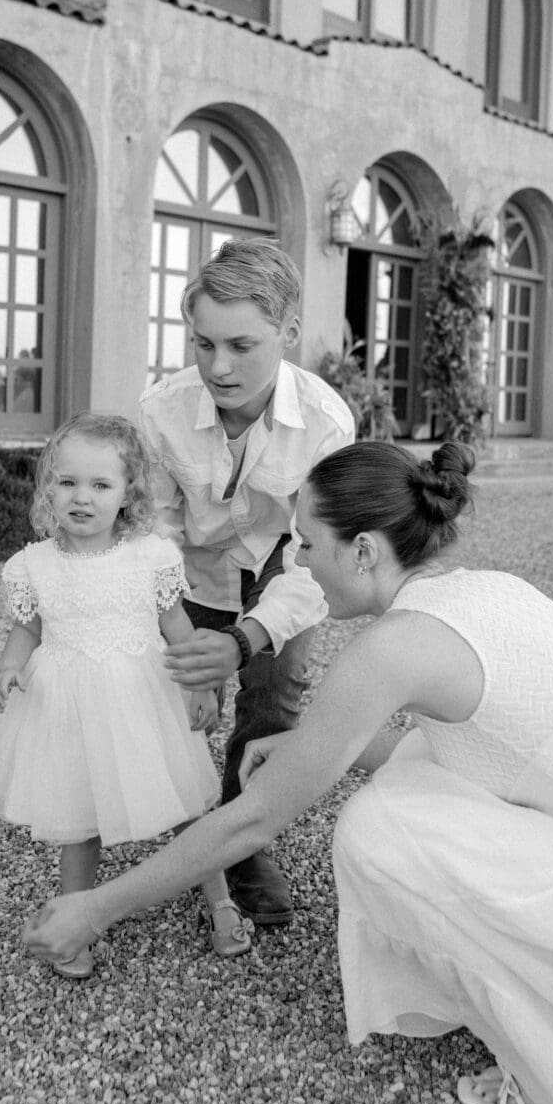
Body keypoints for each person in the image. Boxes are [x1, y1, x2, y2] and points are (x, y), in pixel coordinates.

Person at [24, 439, 553, 1104]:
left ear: (363, 550)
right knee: (407, 790)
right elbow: (485, 752)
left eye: (306, 543)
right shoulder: (488, 590)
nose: (298, 563)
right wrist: (312, 743)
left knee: (381, 830)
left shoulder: (395, 645)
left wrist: (95, 907)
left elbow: (252, 821)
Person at [0, 412, 252, 979]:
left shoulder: (150, 555)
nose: (82, 497)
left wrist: (200, 683)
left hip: (144, 701)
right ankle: (76, 919)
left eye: (101, 485)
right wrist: (8, 669)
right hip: (70, 707)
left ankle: (219, 900)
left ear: (128, 493)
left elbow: (177, 626)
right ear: (48, 487)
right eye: (68, 482)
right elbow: (28, 630)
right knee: (79, 816)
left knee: (184, 804)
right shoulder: (33, 565)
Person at [138, 239, 355, 926]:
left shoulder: (326, 424)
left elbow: (316, 560)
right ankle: (184, 819)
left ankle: (242, 838)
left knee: (274, 694)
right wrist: (184, 640)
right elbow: (153, 537)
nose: (217, 367)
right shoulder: (161, 410)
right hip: (190, 570)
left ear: (288, 333)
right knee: (174, 698)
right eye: (203, 344)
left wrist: (244, 641)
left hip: (285, 564)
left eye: (241, 345)